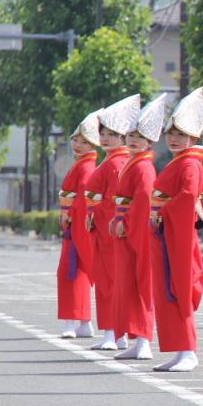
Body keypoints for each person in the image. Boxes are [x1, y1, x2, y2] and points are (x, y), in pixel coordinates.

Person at [150, 87, 203, 372]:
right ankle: (178, 348)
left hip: (177, 236)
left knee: (178, 288)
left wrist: (162, 210)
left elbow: (186, 198)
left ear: (193, 137)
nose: (174, 138)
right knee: (167, 290)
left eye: (181, 134)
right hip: (166, 233)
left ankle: (188, 350)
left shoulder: (190, 165)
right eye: (171, 133)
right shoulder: (179, 162)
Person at [111, 94, 166, 360]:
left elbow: (143, 201)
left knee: (141, 284)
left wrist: (127, 224)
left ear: (150, 142)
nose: (133, 139)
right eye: (130, 134)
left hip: (138, 234)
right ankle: (136, 339)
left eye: (140, 136)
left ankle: (144, 340)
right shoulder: (132, 163)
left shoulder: (143, 167)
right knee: (128, 285)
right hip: (126, 230)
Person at [84, 94, 140, 350]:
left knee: (111, 283)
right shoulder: (113, 161)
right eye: (102, 133)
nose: (105, 138)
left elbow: (117, 199)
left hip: (109, 231)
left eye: (111, 134)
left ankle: (114, 333)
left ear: (122, 137)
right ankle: (114, 332)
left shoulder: (117, 163)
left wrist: (96, 211)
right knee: (108, 282)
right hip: (102, 229)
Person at [57, 110, 101, 339]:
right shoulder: (82, 165)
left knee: (71, 272)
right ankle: (83, 321)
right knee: (77, 272)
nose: (78, 144)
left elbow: (83, 198)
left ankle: (72, 321)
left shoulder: (86, 168)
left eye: (85, 141)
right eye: (76, 139)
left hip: (76, 228)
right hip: (73, 227)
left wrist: (70, 214)